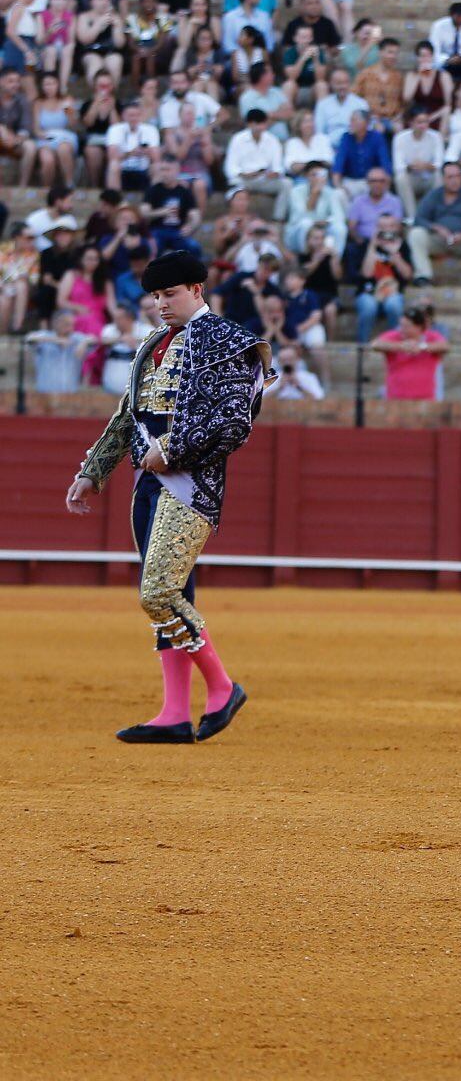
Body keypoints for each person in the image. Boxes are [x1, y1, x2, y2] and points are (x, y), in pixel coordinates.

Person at [64, 251, 271, 745]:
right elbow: (127, 416)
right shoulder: (152, 343)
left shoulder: (228, 340)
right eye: (155, 296)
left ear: (197, 290)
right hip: (147, 483)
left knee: (157, 592)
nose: (161, 304)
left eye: (170, 294)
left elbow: (234, 422)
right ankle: (175, 713)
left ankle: (222, 686)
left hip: (192, 483)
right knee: (175, 594)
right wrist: (94, 470)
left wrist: (172, 448)